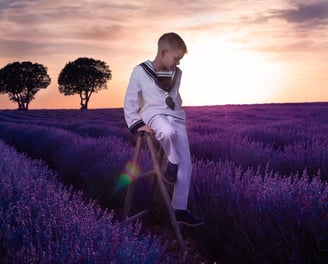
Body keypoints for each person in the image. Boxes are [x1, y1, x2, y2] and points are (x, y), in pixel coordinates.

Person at [124, 32, 202, 226]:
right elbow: (130, 100)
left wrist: (176, 109)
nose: (178, 63)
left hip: (175, 116)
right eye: (176, 58)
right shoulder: (140, 71)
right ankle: (171, 161)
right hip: (152, 114)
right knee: (166, 133)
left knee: (187, 163)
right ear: (164, 52)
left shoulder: (177, 74)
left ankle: (179, 209)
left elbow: (175, 96)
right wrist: (137, 123)